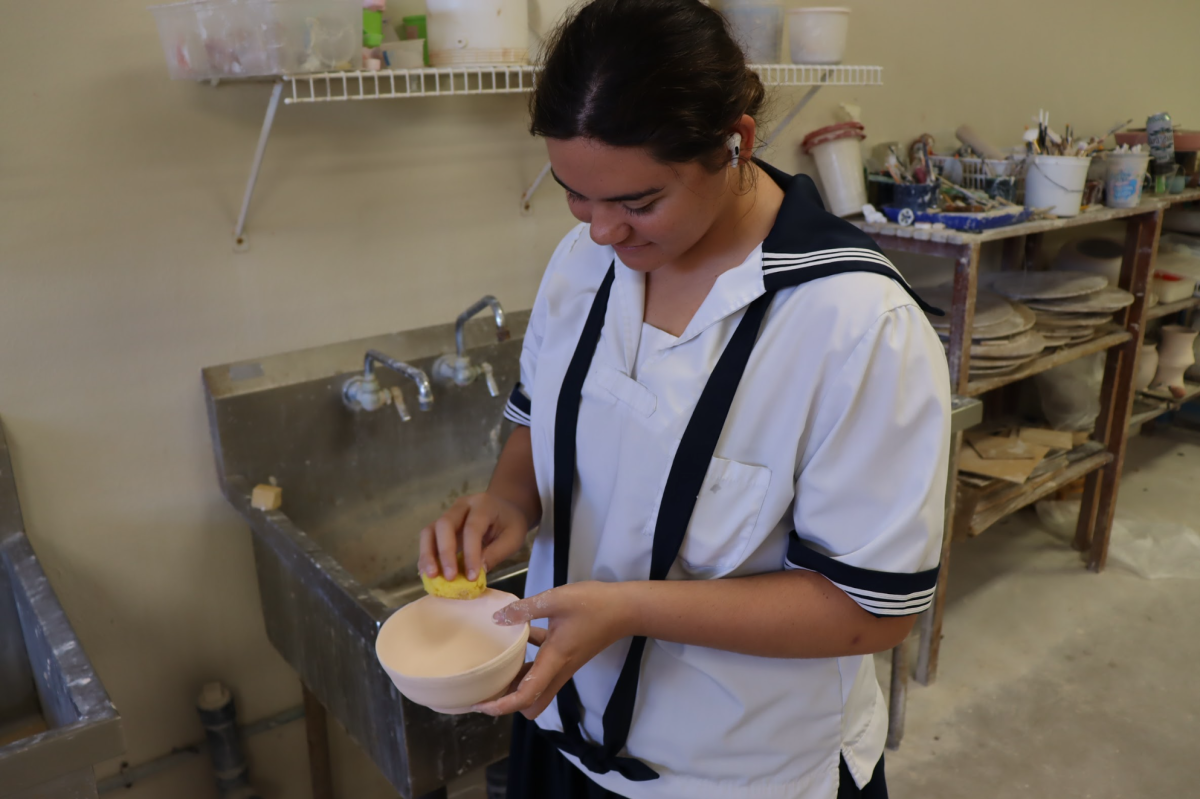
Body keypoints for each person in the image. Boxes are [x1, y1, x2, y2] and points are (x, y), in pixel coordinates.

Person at [417, 0, 951, 796]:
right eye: (574, 193)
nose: (602, 232)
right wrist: (509, 501)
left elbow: (869, 609)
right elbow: (541, 415)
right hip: (564, 731)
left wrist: (629, 608)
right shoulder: (583, 263)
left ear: (734, 142)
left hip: (739, 773)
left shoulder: (853, 324)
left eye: (638, 203)